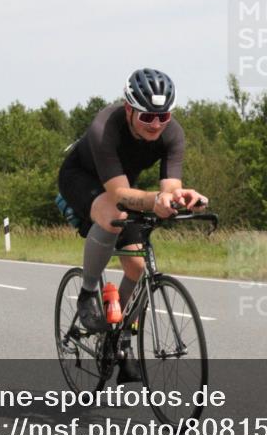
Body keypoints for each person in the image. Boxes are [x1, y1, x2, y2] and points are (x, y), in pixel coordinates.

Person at [57, 68, 207, 383]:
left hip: (126, 186)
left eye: (163, 116)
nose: (156, 124)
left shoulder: (172, 133)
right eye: (146, 117)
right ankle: (87, 293)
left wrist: (180, 197)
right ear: (129, 109)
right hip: (83, 179)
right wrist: (154, 201)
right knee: (116, 213)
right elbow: (120, 195)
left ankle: (120, 340)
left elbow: (168, 189)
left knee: (137, 269)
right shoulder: (105, 128)